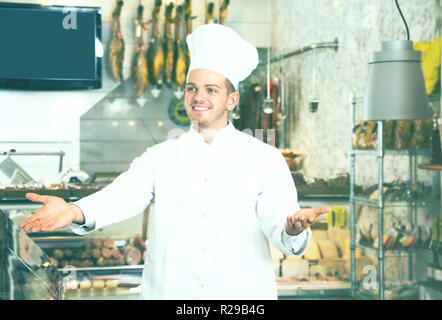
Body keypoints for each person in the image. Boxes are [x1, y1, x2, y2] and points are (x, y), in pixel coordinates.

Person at [20, 24, 331, 299]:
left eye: (211, 90)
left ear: (231, 100)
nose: (199, 97)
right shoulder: (161, 157)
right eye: (192, 88)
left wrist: (292, 228)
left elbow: (282, 223)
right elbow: (120, 196)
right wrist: (74, 210)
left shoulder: (264, 158)